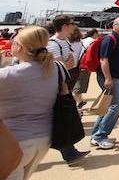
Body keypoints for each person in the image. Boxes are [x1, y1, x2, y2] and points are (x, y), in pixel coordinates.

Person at [1, 26, 87, 179]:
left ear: (19, 47)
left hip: (14, 140)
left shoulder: (10, 74)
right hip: (43, 138)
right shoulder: (54, 68)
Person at [46, 16, 89, 162]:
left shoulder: (64, 42)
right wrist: (68, 64)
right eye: (71, 24)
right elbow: (57, 67)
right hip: (57, 87)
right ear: (64, 26)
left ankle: (69, 152)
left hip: (64, 84)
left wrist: (68, 64)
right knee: (58, 119)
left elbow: (68, 62)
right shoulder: (53, 44)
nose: (74, 26)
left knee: (61, 119)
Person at [91, 17, 119, 149]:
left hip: (115, 76)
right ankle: (100, 136)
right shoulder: (109, 40)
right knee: (117, 104)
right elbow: (103, 60)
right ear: (114, 26)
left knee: (109, 105)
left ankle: (96, 135)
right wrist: (107, 78)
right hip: (109, 76)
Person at [73, 28, 99, 107]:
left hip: (78, 64)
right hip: (85, 65)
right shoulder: (92, 41)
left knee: (79, 84)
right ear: (94, 33)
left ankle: (80, 100)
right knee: (79, 85)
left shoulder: (82, 41)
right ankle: (78, 101)